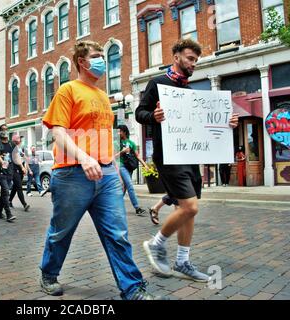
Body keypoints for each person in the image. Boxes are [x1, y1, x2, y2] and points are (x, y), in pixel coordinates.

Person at [39, 40, 162, 300]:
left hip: (106, 174)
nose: (101, 61)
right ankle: (48, 273)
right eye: (96, 56)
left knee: (117, 233)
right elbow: (58, 133)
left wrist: (112, 166)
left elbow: (105, 137)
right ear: (82, 62)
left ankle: (132, 289)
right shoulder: (68, 90)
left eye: (102, 56)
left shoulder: (104, 96)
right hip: (72, 174)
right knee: (61, 232)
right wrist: (84, 158)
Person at [136, 39, 239, 282]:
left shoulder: (190, 92)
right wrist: (154, 115)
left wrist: (227, 124)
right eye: (190, 59)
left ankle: (182, 261)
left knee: (187, 212)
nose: (194, 64)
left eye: (196, 60)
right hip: (169, 156)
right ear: (177, 57)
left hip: (190, 156)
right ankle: (156, 243)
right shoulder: (158, 83)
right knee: (191, 206)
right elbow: (140, 113)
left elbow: (203, 126)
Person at [114, 125, 147, 216]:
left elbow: (137, 156)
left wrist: (145, 165)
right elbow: (113, 157)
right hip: (121, 166)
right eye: (117, 131)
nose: (118, 133)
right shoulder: (116, 143)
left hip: (130, 167)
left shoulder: (131, 143)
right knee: (130, 185)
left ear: (124, 132)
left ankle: (115, 207)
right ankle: (137, 208)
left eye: (119, 131)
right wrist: (122, 152)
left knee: (123, 188)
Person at [0, 124, 17, 222]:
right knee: (6, 191)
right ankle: (8, 214)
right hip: (0, 172)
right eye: (3, 130)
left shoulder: (12, 144)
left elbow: (15, 157)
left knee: (4, 192)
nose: (5, 131)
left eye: (6, 129)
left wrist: (22, 167)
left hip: (10, 172)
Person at [8, 134, 30, 211]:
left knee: (15, 187)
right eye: (18, 139)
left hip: (20, 170)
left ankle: (9, 200)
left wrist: (25, 168)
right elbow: (16, 158)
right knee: (19, 187)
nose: (20, 140)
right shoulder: (13, 147)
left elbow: (24, 158)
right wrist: (22, 167)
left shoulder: (20, 148)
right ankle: (24, 204)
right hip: (14, 169)